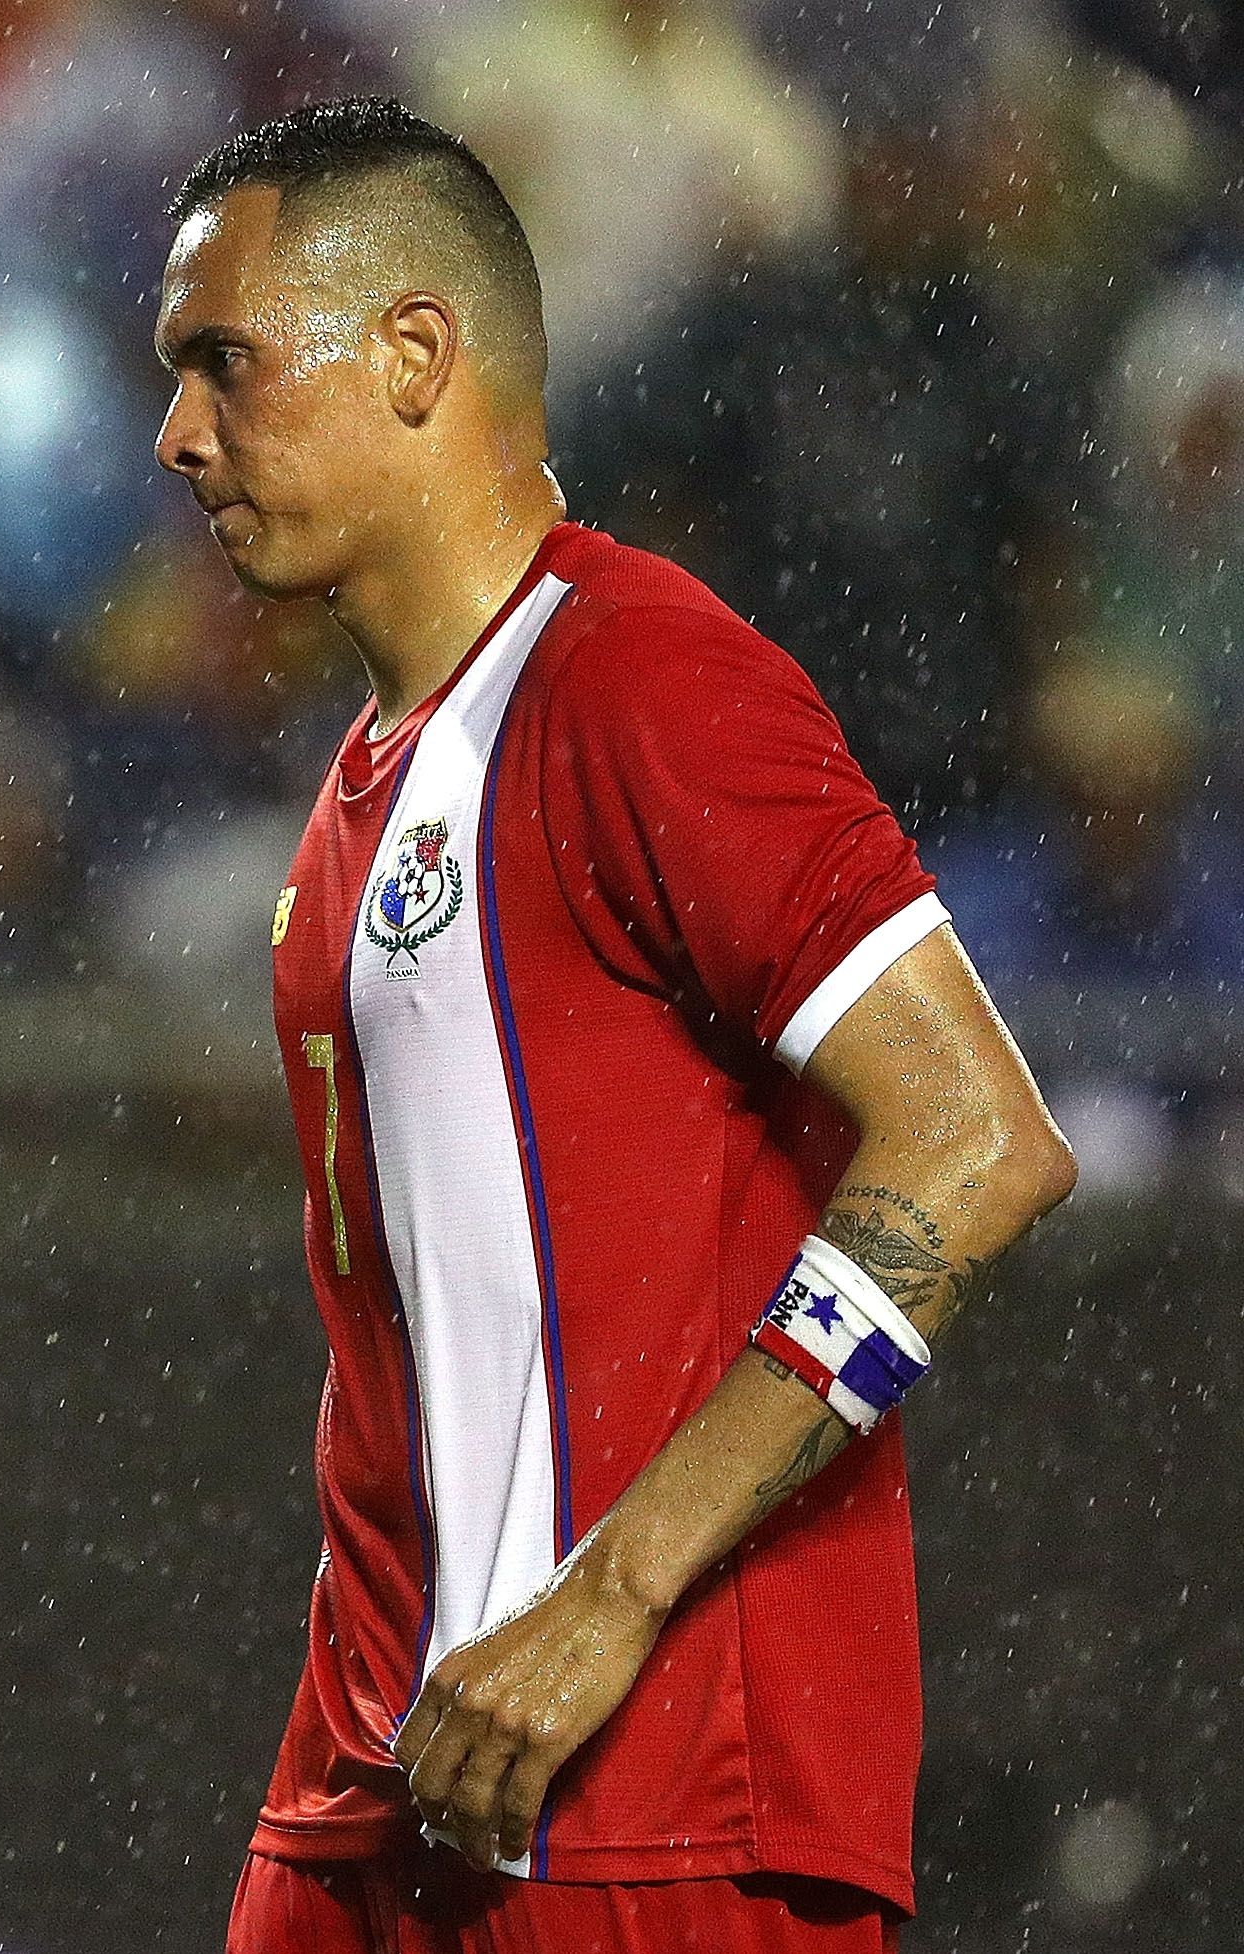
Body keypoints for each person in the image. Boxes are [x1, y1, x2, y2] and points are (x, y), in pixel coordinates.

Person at [149, 99, 1076, 1952]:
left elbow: (978, 1139)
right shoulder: (354, 802)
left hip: (643, 1805)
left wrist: (608, 1594)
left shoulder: (642, 680)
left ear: (417, 352)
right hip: (379, 1788)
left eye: (222, 364)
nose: (178, 436)